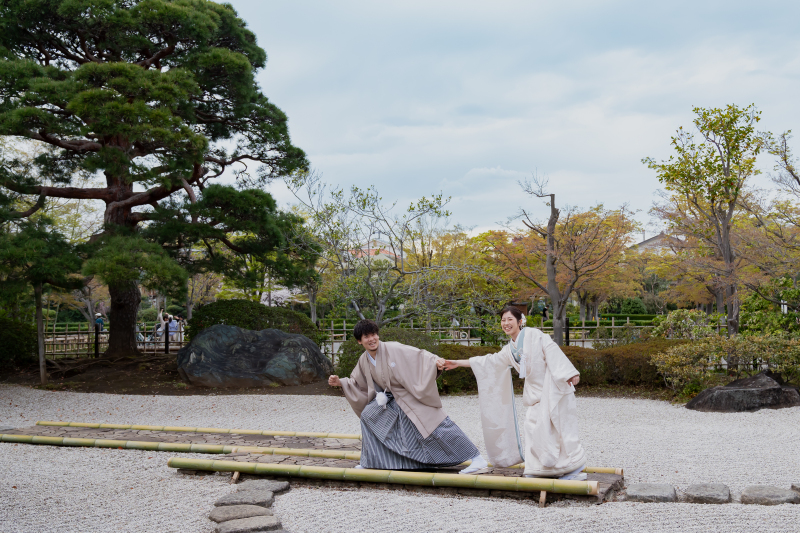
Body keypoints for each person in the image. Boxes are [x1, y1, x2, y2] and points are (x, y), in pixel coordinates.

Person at [443, 306, 587, 480]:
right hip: (536, 396)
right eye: (503, 320)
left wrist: (569, 373)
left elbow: (551, 349)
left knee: (561, 431)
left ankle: (574, 467)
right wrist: (458, 363)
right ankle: (540, 470)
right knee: (532, 427)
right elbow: (489, 361)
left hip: (554, 389)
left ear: (520, 321)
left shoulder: (533, 335)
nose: (506, 323)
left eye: (510, 319)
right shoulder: (509, 350)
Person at [329, 319, 488, 473]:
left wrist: (436, 361)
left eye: (373, 334)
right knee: (368, 415)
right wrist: (341, 383)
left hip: (410, 395)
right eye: (366, 337)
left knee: (437, 426)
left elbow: (419, 356)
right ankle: (371, 460)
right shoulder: (364, 360)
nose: (372, 339)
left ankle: (476, 457)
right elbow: (357, 382)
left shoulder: (393, 348)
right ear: (359, 341)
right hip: (390, 400)